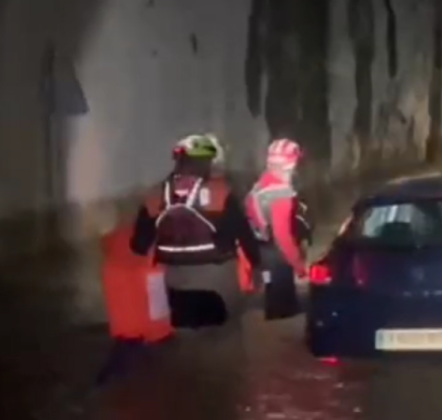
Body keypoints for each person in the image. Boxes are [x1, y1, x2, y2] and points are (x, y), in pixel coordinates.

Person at [130, 134, 261, 328]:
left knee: (186, 341)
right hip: (218, 279)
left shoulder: (156, 194)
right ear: (207, 162)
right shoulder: (221, 192)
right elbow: (244, 236)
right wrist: (257, 266)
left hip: (175, 281)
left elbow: (139, 246)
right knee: (225, 339)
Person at [245, 138, 309, 319]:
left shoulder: (261, 184)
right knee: (283, 295)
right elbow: (282, 235)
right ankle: (282, 314)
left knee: (271, 286)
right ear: (291, 164)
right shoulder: (280, 193)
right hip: (277, 252)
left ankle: (274, 309)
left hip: (263, 245)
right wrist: (298, 265)